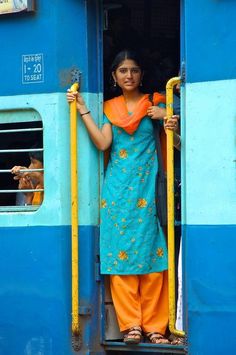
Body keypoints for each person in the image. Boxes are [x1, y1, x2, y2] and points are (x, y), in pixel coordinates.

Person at [67, 50, 170, 345]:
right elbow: (102, 143)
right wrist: (84, 109)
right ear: (113, 76)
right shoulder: (110, 109)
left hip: (149, 191)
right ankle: (131, 326)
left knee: (153, 256)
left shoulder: (155, 104)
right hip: (116, 193)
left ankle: (154, 326)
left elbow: (178, 138)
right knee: (121, 258)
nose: (129, 75)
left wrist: (167, 117)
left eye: (134, 70)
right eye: (123, 70)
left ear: (141, 74)